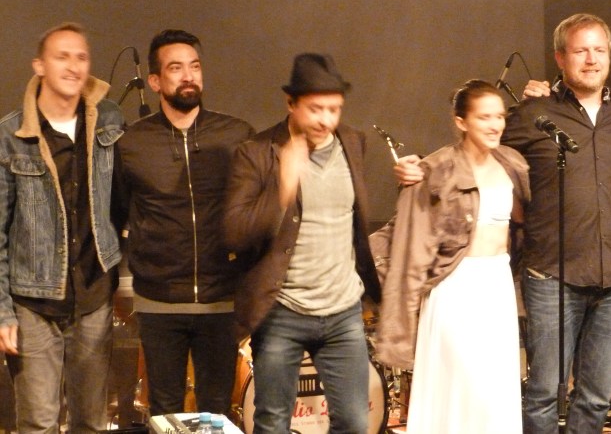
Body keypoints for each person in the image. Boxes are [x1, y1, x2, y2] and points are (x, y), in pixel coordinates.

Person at [397, 13, 611, 432]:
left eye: (600, 50)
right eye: (581, 50)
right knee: (544, 393)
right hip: (552, 275)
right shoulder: (533, 114)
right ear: (560, 57)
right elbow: (473, 147)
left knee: (597, 396)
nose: (592, 59)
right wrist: (420, 167)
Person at [222, 53, 381, 434]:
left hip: (343, 311)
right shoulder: (256, 152)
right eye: (315, 109)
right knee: (272, 422)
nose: (326, 120)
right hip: (283, 312)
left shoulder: (353, 143)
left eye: (334, 109)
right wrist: (282, 189)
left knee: (355, 422)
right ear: (290, 103)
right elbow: (234, 232)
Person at [376, 79, 531, 434]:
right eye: (484, 117)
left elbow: (525, 226)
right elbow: (412, 244)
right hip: (456, 286)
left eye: (499, 116)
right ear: (461, 122)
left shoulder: (513, 163)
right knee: (463, 385)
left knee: (493, 387)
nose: (495, 125)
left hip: (497, 284)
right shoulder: (437, 168)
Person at [115, 29, 254, 415]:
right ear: (155, 81)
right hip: (158, 301)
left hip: (221, 300)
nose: (189, 75)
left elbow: (256, 213)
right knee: (164, 411)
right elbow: (118, 213)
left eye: (195, 66)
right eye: (176, 68)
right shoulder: (132, 144)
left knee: (216, 410)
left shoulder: (237, 135)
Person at [0, 23, 125, 434]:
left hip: (93, 296)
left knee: (91, 422)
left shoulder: (109, 120)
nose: (74, 66)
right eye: (62, 56)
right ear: (39, 65)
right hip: (33, 303)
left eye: (81, 57)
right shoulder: (10, 135)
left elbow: (125, 202)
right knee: (38, 423)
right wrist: (2, 312)